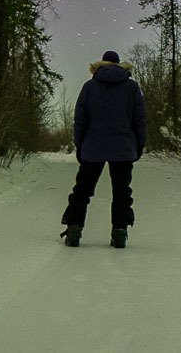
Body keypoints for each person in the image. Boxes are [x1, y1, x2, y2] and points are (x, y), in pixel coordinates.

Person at [60, 50, 147, 248]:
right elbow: (139, 119)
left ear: (100, 65)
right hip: (123, 148)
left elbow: (80, 120)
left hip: (93, 147)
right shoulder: (132, 87)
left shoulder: (89, 87)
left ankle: (74, 229)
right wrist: (139, 144)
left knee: (82, 190)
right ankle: (119, 233)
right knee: (121, 192)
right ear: (119, 65)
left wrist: (80, 145)